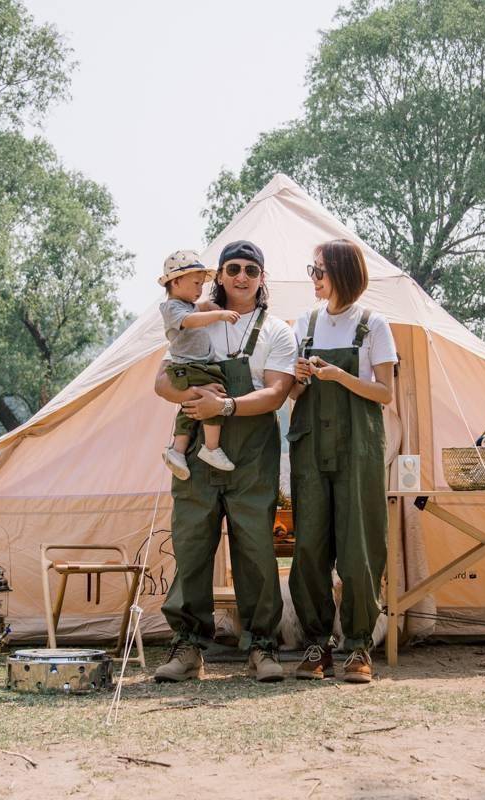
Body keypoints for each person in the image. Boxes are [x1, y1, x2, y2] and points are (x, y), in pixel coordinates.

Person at [152, 240, 297, 683]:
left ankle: (262, 647)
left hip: (252, 447)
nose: (241, 277)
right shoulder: (194, 319)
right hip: (198, 442)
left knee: (254, 547)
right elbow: (161, 381)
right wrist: (194, 397)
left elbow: (276, 392)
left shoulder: (278, 332)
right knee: (192, 543)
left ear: (262, 279)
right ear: (218, 274)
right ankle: (188, 648)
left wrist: (228, 407)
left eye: (251, 270)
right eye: (232, 268)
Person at [288, 238, 396, 683]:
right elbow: (292, 394)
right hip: (311, 446)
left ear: (342, 273)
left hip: (358, 448)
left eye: (319, 271)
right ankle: (317, 645)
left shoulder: (373, 325)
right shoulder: (305, 323)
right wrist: (297, 377)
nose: (312, 279)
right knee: (310, 548)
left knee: (359, 549)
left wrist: (340, 376)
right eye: (311, 270)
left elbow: (385, 393)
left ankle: (357, 646)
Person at [157, 249, 239, 480]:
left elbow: (199, 308)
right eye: (195, 283)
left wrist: (210, 306)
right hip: (190, 366)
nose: (199, 289)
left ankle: (178, 449)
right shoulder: (172, 308)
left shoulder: (188, 305)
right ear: (176, 281)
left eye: (202, 284)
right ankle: (211, 447)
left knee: (190, 409)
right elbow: (190, 320)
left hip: (194, 367)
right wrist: (219, 316)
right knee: (214, 395)